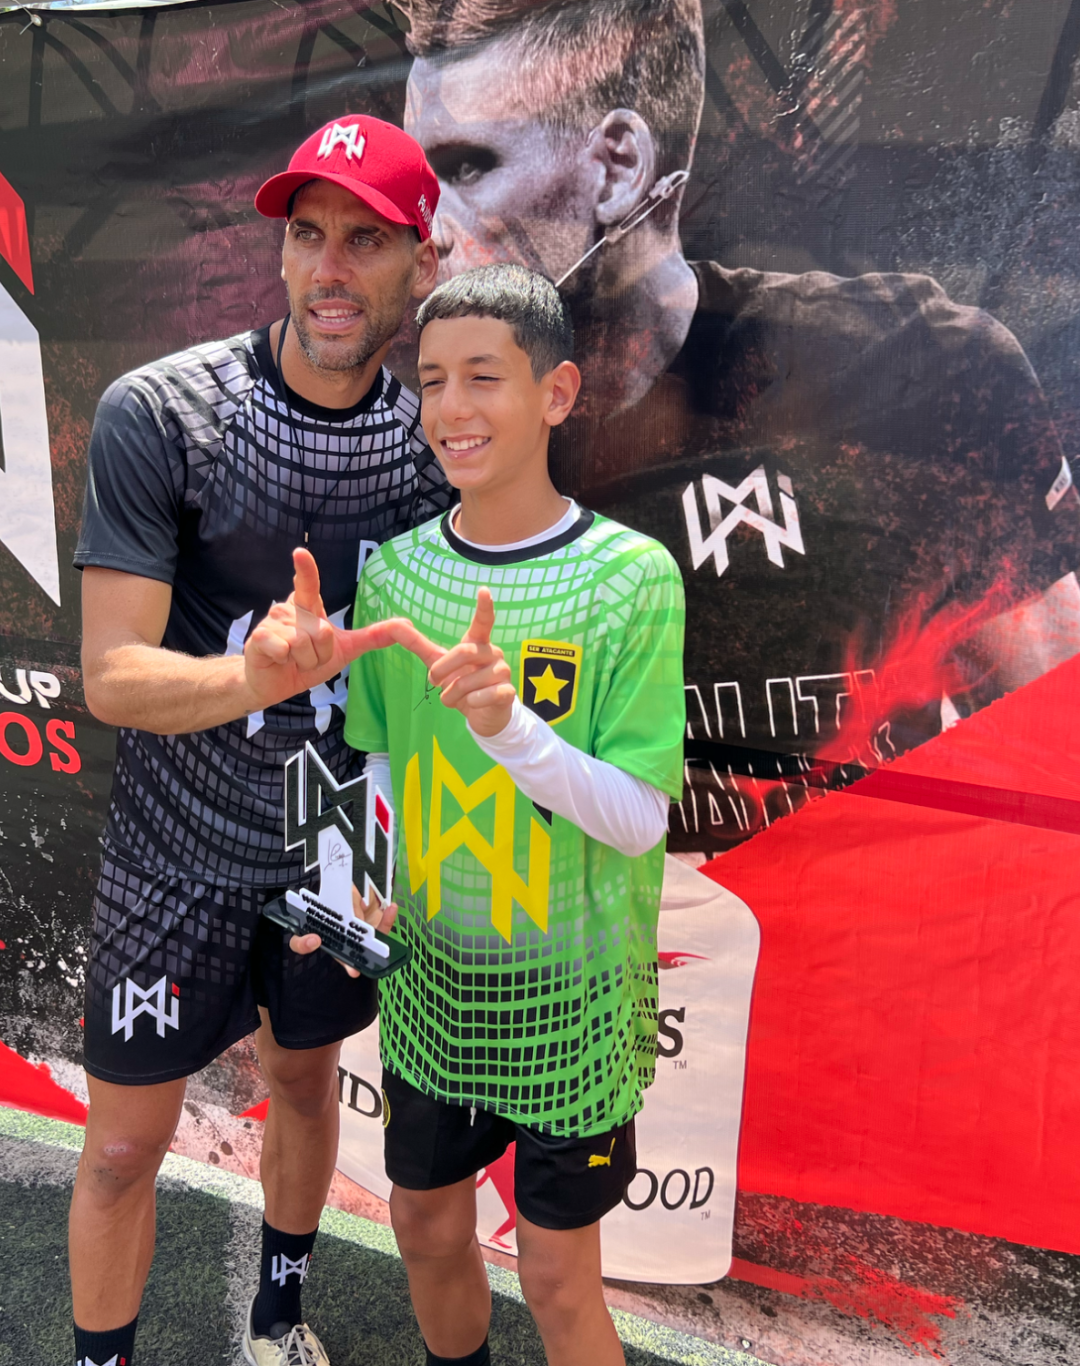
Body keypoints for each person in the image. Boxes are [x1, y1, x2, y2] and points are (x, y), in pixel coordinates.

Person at [400, 0, 1080, 856]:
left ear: (617, 168)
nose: (428, 229)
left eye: (467, 167)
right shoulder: (435, 454)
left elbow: (1073, 755)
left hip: (866, 923)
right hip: (597, 936)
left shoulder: (917, 365)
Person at [70, 115, 450, 1366]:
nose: (329, 268)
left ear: (423, 263)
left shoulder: (436, 454)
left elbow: (430, 699)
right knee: (121, 1145)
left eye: (365, 240)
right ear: (280, 254)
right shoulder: (164, 412)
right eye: (306, 235)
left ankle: (281, 1318)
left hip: (335, 842)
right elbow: (112, 677)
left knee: (302, 1083)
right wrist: (251, 676)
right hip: (172, 848)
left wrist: (398, 853)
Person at [339, 263, 685, 1366]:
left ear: (557, 392)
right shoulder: (396, 577)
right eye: (433, 379)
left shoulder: (631, 578)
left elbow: (638, 817)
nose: (451, 407)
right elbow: (378, 761)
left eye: (483, 376)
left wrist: (509, 730)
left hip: (574, 1008)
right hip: (432, 991)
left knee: (556, 1277)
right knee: (424, 1231)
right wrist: (366, 879)